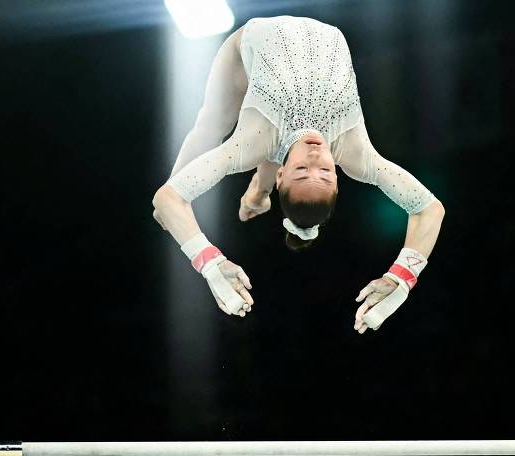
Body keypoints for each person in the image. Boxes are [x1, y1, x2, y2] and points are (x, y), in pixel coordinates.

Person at [152, 16, 445, 333]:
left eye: (303, 170)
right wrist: (401, 277)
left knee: (213, 125)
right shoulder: (358, 155)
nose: (316, 155)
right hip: (303, 69)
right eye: (326, 172)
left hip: (247, 48)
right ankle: (259, 194)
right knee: (275, 142)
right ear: (338, 179)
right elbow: (430, 209)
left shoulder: (253, 145)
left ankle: (257, 193)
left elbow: (168, 196)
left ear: (282, 175)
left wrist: (210, 263)